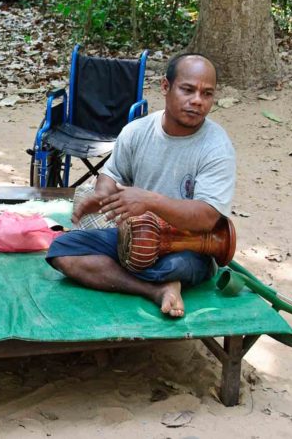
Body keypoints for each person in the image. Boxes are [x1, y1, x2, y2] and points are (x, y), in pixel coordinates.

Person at [46, 54, 236, 318]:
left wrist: (150, 201)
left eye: (207, 94)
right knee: (61, 250)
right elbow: (110, 174)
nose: (197, 101)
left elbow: (206, 218)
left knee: (173, 266)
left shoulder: (216, 147)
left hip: (187, 246)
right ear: (165, 87)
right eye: (188, 89)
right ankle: (155, 290)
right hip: (134, 240)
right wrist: (102, 196)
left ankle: (155, 277)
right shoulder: (137, 131)